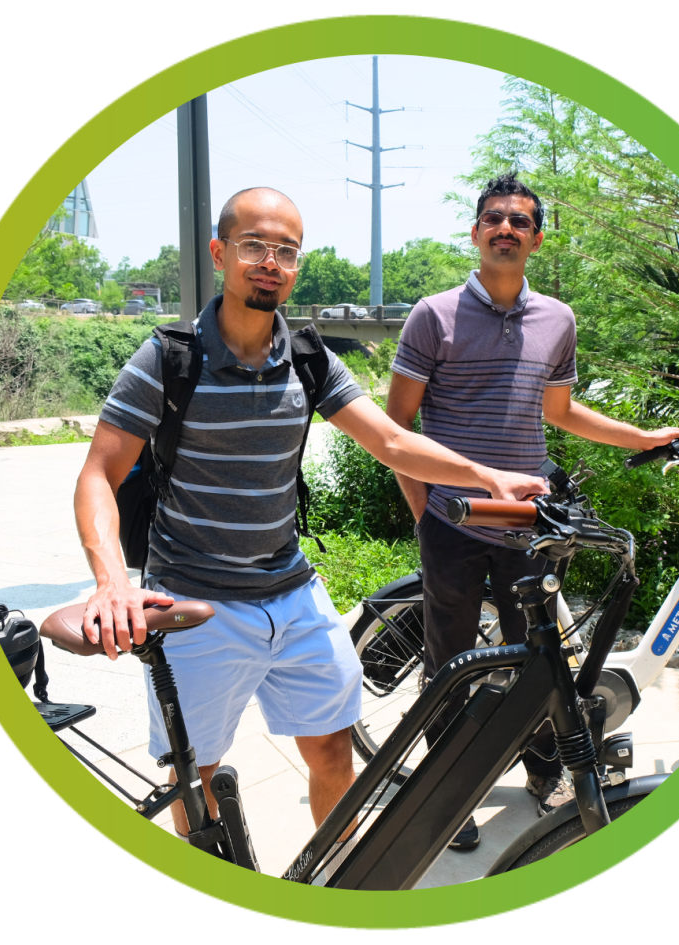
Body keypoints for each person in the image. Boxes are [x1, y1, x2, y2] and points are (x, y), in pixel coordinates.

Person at [73, 186, 546, 853]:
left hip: (293, 592)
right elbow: (98, 472)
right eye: (255, 246)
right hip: (194, 601)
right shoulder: (168, 358)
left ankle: (336, 878)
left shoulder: (309, 357)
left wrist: (484, 474)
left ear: (297, 265)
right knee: (197, 772)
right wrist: (110, 581)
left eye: (286, 251)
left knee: (331, 749)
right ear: (220, 253)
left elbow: (391, 441)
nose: (271, 261)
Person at [387, 174, 679, 849]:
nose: (505, 228)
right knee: (450, 665)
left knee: (539, 659)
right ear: (475, 232)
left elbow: (560, 412)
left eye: (519, 221)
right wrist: (426, 515)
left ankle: (543, 769)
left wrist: (642, 437)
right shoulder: (432, 315)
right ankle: (446, 794)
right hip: (453, 526)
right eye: (493, 217)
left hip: (529, 527)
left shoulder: (557, 319)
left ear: (536, 238)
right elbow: (397, 429)